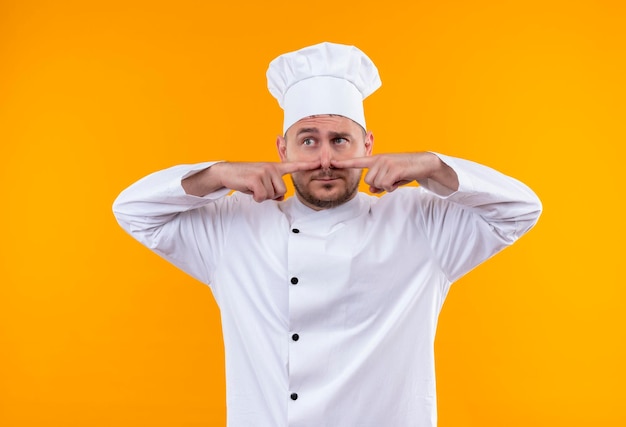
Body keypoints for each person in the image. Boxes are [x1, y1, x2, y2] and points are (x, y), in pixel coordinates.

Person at [113, 42, 542, 427]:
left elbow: (521, 209)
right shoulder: (234, 226)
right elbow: (132, 210)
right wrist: (220, 174)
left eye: (340, 140)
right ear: (282, 149)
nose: (325, 159)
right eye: (308, 141)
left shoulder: (421, 222)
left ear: (368, 145)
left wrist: (431, 166)